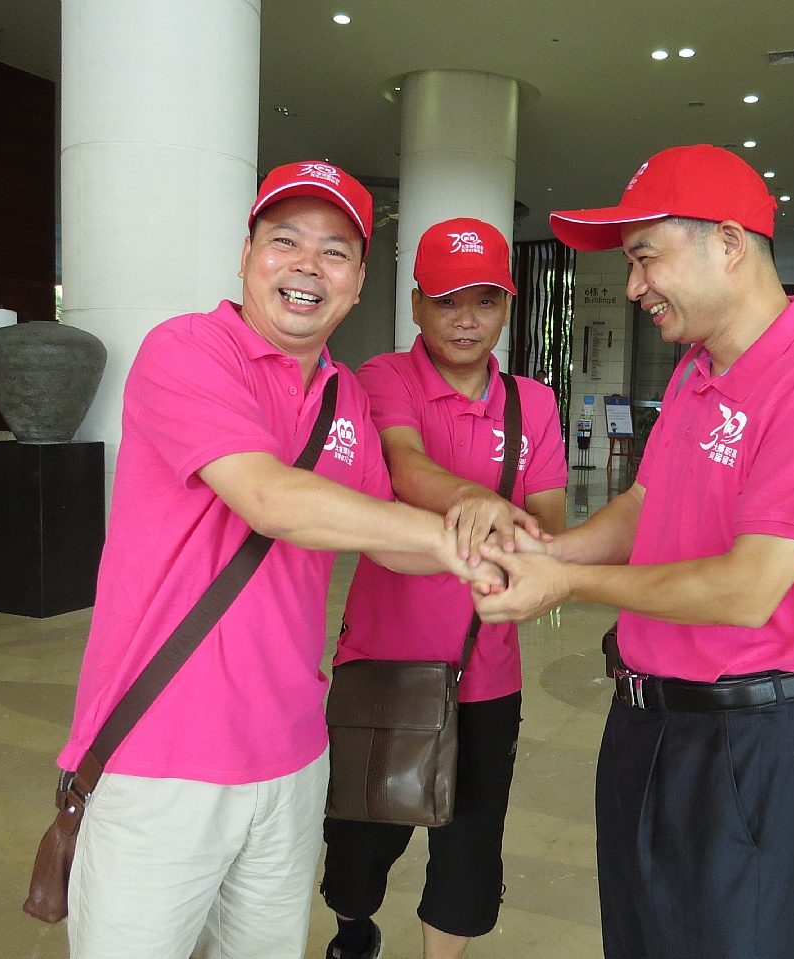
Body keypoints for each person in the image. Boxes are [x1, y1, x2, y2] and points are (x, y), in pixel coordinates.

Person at [56, 161, 504, 959]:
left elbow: (384, 538)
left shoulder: (344, 396)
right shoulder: (186, 350)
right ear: (246, 255)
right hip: (162, 756)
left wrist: (486, 556)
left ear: (358, 283)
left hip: (293, 757)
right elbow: (267, 496)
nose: (307, 265)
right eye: (285, 240)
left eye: (334, 252)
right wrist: (446, 537)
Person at [471, 144, 794, 959]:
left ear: (728, 243)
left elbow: (747, 589)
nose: (634, 287)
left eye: (644, 258)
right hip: (644, 718)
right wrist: (549, 549)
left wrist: (566, 585)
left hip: (745, 739)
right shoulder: (696, 371)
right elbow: (643, 505)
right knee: (637, 938)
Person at [320, 218, 568, 959]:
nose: (466, 320)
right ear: (417, 305)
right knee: (360, 837)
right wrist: (483, 504)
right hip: (383, 661)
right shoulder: (383, 379)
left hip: (487, 671)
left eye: (485, 301)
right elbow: (402, 464)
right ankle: (353, 930)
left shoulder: (534, 403)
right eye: (447, 301)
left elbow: (550, 520)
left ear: (508, 307)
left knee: (471, 844)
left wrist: (532, 546)